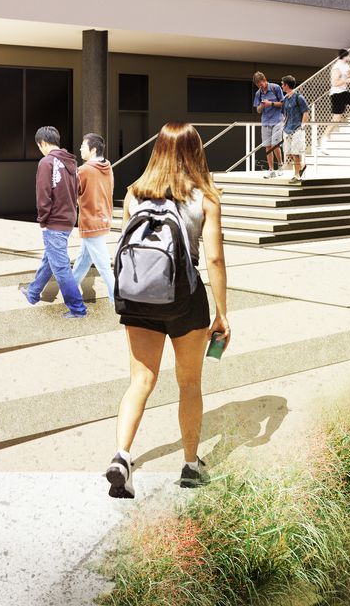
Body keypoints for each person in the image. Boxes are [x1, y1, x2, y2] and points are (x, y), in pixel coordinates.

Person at [104, 123, 229, 498]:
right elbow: (215, 259)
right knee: (189, 383)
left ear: (157, 150)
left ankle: (122, 458)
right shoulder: (205, 198)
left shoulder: (133, 194)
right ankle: (190, 466)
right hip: (184, 300)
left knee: (140, 381)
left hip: (139, 297)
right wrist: (222, 313)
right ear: (196, 152)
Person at [25, 127, 87, 318]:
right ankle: (33, 292)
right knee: (50, 258)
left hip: (54, 221)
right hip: (68, 218)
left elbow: (43, 194)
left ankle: (77, 309)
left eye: (39, 146)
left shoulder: (47, 162)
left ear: (43, 143)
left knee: (60, 266)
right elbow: (77, 190)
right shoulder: (72, 162)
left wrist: (42, 219)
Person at [72, 133, 116, 306]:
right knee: (83, 260)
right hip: (103, 218)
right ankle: (70, 289)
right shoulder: (108, 167)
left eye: (83, 146)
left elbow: (72, 193)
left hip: (90, 221)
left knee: (104, 264)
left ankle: (116, 299)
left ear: (93, 149)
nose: (81, 148)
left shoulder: (84, 170)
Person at [251, 72, 286, 175]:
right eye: (257, 84)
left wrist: (270, 103)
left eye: (260, 83)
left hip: (277, 120)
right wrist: (262, 106)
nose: (259, 85)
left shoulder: (275, 88)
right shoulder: (258, 93)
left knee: (275, 144)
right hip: (266, 121)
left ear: (264, 79)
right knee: (267, 146)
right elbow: (258, 110)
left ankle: (280, 165)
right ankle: (271, 169)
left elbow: (283, 103)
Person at [326, 49, 350, 142]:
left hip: (344, 92)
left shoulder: (346, 66)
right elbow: (335, 83)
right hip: (337, 94)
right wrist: (347, 80)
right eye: (349, 55)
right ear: (345, 56)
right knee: (337, 118)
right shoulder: (336, 67)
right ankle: (325, 137)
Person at [278, 76, 310, 179]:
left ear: (287, 85)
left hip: (297, 129)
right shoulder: (285, 99)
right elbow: (285, 114)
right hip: (287, 129)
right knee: (288, 152)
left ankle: (296, 174)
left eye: (282, 84)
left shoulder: (298, 97)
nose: (281, 86)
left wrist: (302, 126)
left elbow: (305, 112)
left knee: (296, 153)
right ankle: (301, 166)